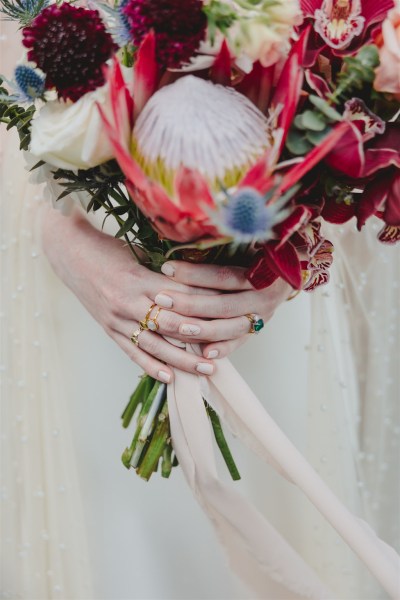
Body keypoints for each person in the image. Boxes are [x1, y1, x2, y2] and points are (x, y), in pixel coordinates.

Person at [1, 20, 399, 600]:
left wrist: (295, 243)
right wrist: (57, 236)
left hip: (263, 271)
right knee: (125, 544)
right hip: (85, 285)